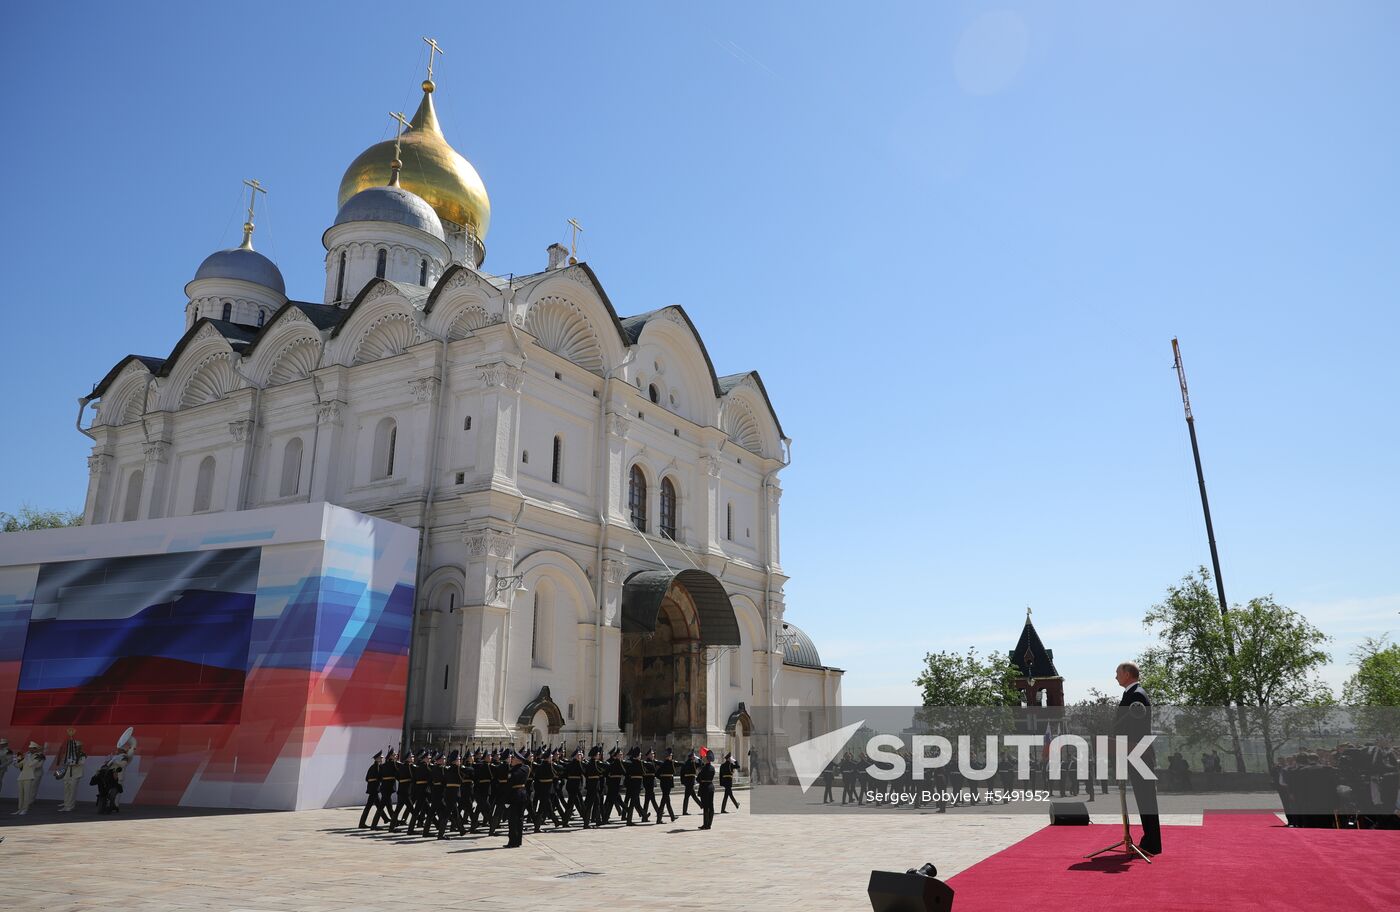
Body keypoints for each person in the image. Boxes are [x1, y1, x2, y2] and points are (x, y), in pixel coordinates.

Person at [1115, 661, 1162, 855]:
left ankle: (1152, 843)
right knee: (1143, 799)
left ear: (1127, 674)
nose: (1115, 676)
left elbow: (1135, 728)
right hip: (1134, 752)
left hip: (1138, 753)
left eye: (1117, 672)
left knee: (1146, 800)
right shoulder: (1131, 694)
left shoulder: (1137, 696)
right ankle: (1149, 841)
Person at [54, 729, 87, 813]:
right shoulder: (68, 754)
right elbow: (64, 764)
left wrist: (72, 762)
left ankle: (70, 806)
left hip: (75, 774)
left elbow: (81, 763)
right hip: (67, 774)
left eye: (76, 746)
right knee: (66, 790)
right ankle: (66, 805)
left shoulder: (82, 754)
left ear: (79, 747)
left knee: (72, 791)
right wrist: (59, 772)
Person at [504, 750, 529, 848]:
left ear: (518, 760)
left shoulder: (512, 771)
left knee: (512, 820)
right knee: (520, 819)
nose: (511, 760)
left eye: (513, 758)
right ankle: (519, 841)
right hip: (523, 793)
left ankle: (512, 841)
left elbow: (509, 786)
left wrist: (506, 800)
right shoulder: (526, 769)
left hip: (515, 795)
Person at [358, 750, 388, 828]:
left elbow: (367, 778)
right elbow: (380, 776)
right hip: (374, 789)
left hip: (373, 788)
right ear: (377, 759)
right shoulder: (377, 766)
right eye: (381, 758)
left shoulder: (372, 766)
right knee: (368, 807)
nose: (382, 758)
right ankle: (361, 824)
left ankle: (385, 819)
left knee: (378, 805)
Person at [13, 741, 44, 815]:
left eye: (31, 748)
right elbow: (19, 765)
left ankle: (25, 809)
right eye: (29, 748)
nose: (29, 750)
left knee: (27, 794)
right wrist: (15, 761)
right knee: (21, 794)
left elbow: (31, 764)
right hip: (22, 776)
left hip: (30, 776)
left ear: (35, 749)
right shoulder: (27, 756)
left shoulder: (38, 756)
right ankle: (19, 809)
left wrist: (28, 757)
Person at [656, 747, 678, 822]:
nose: (672, 757)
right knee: (663, 801)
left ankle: (672, 816)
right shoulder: (670, 763)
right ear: (668, 756)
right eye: (671, 755)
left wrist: (662, 778)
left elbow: (657, 774)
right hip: (667, 784)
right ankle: (658, 819)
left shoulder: (663, 763)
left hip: (664, 783)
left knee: (667, 800)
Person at [696, 748, 717, 830]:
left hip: (704, 788)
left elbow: (698, 779)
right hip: (711, 787)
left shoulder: (704, 768)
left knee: (705, 807)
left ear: (707, 759)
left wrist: (699, 772)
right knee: (711, 806)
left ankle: (705, 824)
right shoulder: (712, 768)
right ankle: (709, 824)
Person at [680, 749, 699, 815]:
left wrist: (683, 781)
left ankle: (701, 806)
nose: (694, 757)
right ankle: (684, 811)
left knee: (692, 796)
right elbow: (701, 764)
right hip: (690, 782)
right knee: (688, 796)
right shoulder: (693, 763)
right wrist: (698, 759)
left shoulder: (686, 763)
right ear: (691, 757)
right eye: (694, 756)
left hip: (687, 782)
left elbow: (681, 774)